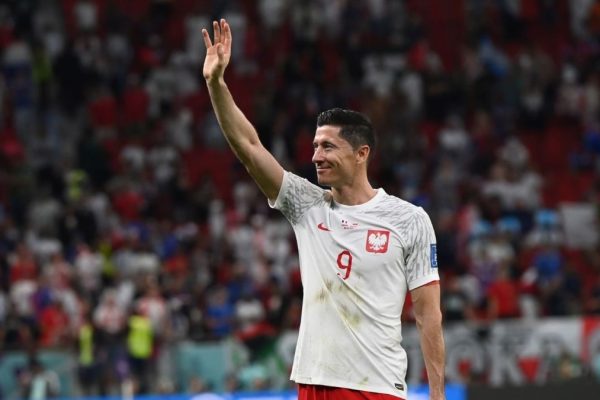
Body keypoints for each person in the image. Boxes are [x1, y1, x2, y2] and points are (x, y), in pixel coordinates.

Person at [202, 19, 445, 400]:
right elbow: (249, 148)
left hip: (376, 388)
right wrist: (216, 84)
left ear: (361, 154)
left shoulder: (409, 220)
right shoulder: (307, 205)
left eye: (328, 146)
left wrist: (438, 393)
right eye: (315, 146)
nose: (316, 156)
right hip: (314, 382)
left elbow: (428, 314)